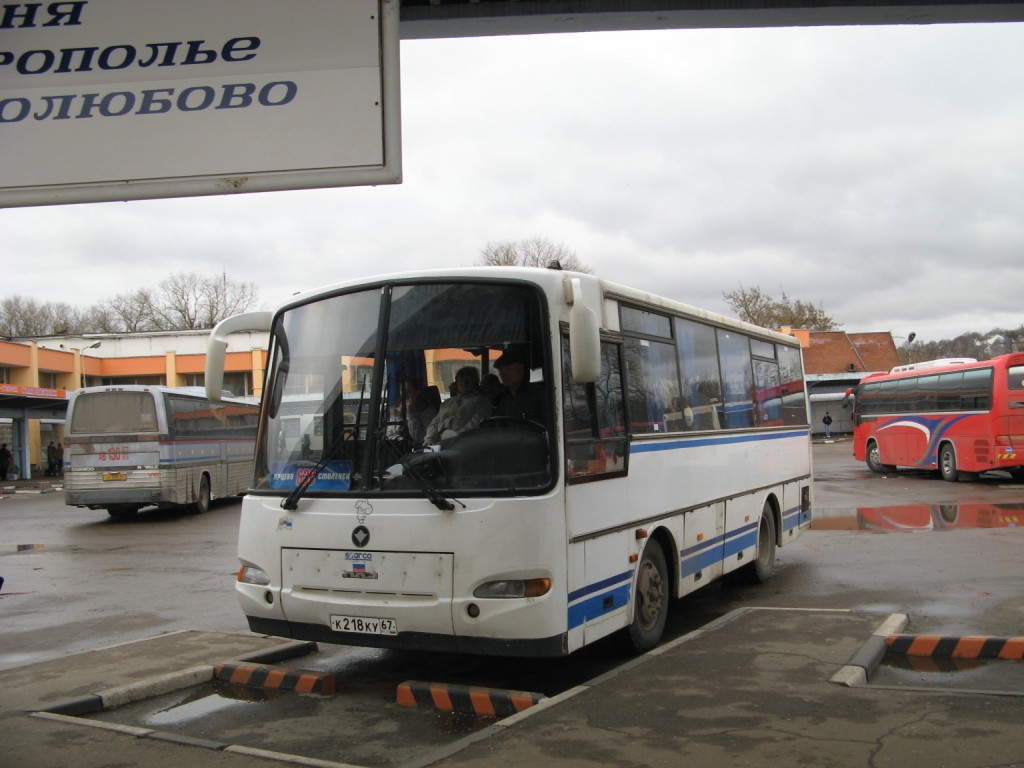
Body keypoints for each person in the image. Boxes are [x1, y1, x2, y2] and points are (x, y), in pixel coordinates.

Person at [423, 366, 492, 444]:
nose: (464, 383)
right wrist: (430, 438)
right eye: (461, 380)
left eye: (468, 380)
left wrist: (454, 436)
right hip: (439, 444)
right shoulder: (447, 403)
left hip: (463, 444)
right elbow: (434, 423)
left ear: (475, 382)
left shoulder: (482, 401)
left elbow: (475, 425)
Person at [493, 347, 546, 424]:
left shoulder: (537, 396)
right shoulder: (503, 399)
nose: (504, 375)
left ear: (521, 369)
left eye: (508, 369)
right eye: (501, 371)